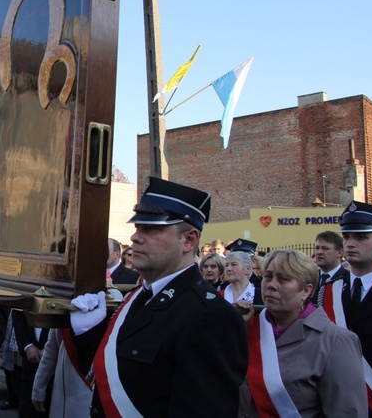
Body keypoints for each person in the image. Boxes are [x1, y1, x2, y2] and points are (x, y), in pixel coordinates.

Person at [70, 177, 248, 416]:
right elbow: (111, 379)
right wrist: (89, 335)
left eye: (151, 229)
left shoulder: (211, 317)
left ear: (189, 240)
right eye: (137, 227)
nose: (135, 238)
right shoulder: (138, 297)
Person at [236, 249, 367, 417]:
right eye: (268, 277)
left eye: (283, 279)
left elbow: (347, 411)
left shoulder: (335, 341)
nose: (272, 285)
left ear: (306, 290)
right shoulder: (248, 327)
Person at [321, 201, 372, 415]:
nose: (350, 244)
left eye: (361, 237)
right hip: (336, 406)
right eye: (346, 237)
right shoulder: (325, 292)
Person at [31, 328, 92, 417]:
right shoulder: (62, 318)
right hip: (63, 400)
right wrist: (38, 388)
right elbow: (50, 352)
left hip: (92, 395)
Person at [312, 230, 346, 306]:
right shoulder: (310, 279)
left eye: (325, 248)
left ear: (340, 253)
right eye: (317, 248)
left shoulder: (349, 280)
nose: (319, 252)